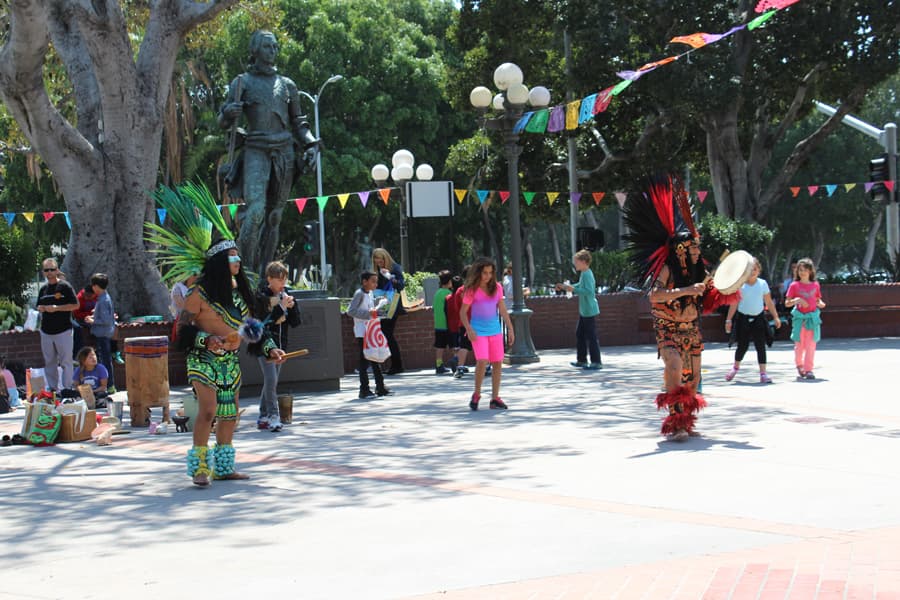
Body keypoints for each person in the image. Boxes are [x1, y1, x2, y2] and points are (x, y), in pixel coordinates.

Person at [217, 30, 319, 277]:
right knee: (255, 212)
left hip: (284, 151)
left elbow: (299, 123)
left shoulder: (287, 85)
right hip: (256, 150)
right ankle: (244, 273)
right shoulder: (242, 82)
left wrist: (311, 144)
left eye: (275, 47)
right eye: (267, 47)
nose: (272, 51)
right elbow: (222, 121)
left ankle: (265, 273)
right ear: (255, 51)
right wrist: (229, 112)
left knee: (274, 217)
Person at [623, 175, 715, 441]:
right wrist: (687, 290)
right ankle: (675, 423)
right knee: (674, 365)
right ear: (681, 251)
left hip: (691, 328)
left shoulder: (701, 271)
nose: (697, 253)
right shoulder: (666, 269)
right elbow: (654, 296)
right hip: (668, 327)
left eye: (698, 249)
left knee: (693, 377)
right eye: (693, 249)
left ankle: (687, 419)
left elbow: (711, 298)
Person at [250, 261, 301, 432]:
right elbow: (265, 321)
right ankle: (273, 415)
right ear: (269, 279)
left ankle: (263, 415)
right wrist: (280, 307)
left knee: (271, 381)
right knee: (271, 380)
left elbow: (295, 323)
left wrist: (293, 307)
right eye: (279, 280)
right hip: (264, 344)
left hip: (281, 344)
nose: (282, 284)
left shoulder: (286, 295)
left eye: (284, 279)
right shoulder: (261, 296)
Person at [460, 257, 514, 411]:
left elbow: (502, 310)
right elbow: (462, 313)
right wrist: (469, 329)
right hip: (478, 332)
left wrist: (510, 328)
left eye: (490, 272)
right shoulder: (472, 290)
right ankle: (476, 394)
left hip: (495, 331)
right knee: (482, 360)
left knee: (497, 362)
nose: (488, 276)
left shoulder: (497, 288)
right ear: (478, 272)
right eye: (485, 272)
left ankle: (495, 398)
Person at [724, 258, 782, 383]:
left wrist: (775, 317)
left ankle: (763, 373)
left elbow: (769, 302)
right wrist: (728, 320)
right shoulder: (740, 285)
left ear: (759, 270)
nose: (752, 271)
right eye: (749, 269)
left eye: (755, 269)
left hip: (758, 319)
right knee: (742, 346)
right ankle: (735, 368)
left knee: (760, 345)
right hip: (743, 319)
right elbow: (734, 303)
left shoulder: (762, 284)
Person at [36, 257, 80, 392]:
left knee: (66, 362)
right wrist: (41, 308)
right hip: (46, 331)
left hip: (63, 330)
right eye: (46, 270)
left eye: (52, 269)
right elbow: (38, 305)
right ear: (43, 272)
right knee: (49, 362)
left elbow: (75, 305)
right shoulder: (43, 289)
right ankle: (53, 389)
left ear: (57, 270)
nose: (49, 272)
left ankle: (67, 389)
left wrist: (57, 308)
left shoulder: (65, 286)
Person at [347, 271, 393, 399]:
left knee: (375, 359)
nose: (375, 284)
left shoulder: (370, 293)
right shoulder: (359, 294)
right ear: (364, 281)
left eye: (376, 281)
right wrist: (369, 314)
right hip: (362, 332)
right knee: (365, 361)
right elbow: (351, 311)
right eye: (373, 281)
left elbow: (371, 309)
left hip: (371, 331)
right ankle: (364, 389)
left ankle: (380, 387)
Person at [556, 249, 602, 369]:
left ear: (583, 261)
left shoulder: (587, 274)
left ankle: (596, 362)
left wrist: (573, 289)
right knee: (580, 334)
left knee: (591, 336)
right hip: (584, 311)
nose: (575, 264)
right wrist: (567, 287)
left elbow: (589, 291)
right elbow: (580, 286)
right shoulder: (584, 273)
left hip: (589, 310)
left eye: (576, 262)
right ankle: (582, 360)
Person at [785, 257, 826, 380]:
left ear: (810, 271)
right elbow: (787, 303)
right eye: (800, 270)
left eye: (805, 270)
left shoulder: (815, 285)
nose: (802, 272)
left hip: (812, 319)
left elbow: (818, 299)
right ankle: (799, 365)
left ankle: (809, 370)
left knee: (811, 345)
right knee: (799, 345)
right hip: (799, 320)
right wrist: (797, 300)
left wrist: (821, 304)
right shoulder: (794, 285)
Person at [371, 248, 405, 374]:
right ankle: (393, 364)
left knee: (387, 333)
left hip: (392, 305)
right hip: (381, 304)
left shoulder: (395, 268)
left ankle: (397, 365)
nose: (378, 261)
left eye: (381, 258)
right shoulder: (375, 270)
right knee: (385, 333)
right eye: (376, 258)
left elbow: (401, 285)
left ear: (386, 257)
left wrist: (390, 277)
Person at [84, 273, 117, 393]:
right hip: (104, 333)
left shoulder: (103, 300)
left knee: (104, 361)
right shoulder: (104, 298)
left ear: (96, 286)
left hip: (103, 334)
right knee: (105, 360)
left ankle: (109, 385)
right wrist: (95, 314)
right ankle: (109, 385)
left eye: (93, 285)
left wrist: (93, 320)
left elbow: (105, 320)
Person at [432, 270, 456, 375]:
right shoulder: (449, 294)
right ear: (450, 281)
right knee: (454, 345)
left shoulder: (437, 293)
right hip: (448, 324)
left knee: (440, 346)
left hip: (438, 324)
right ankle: (456, 363)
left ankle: (439, 365)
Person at [72, 284, 97, 358]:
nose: (86, 298)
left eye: (89, 296)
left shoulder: (97, 296)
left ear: (94, 294)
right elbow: (76, 314)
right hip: (81, 319)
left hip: (94, 318)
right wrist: (89, 314)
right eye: (85, 296)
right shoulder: (79, 298)